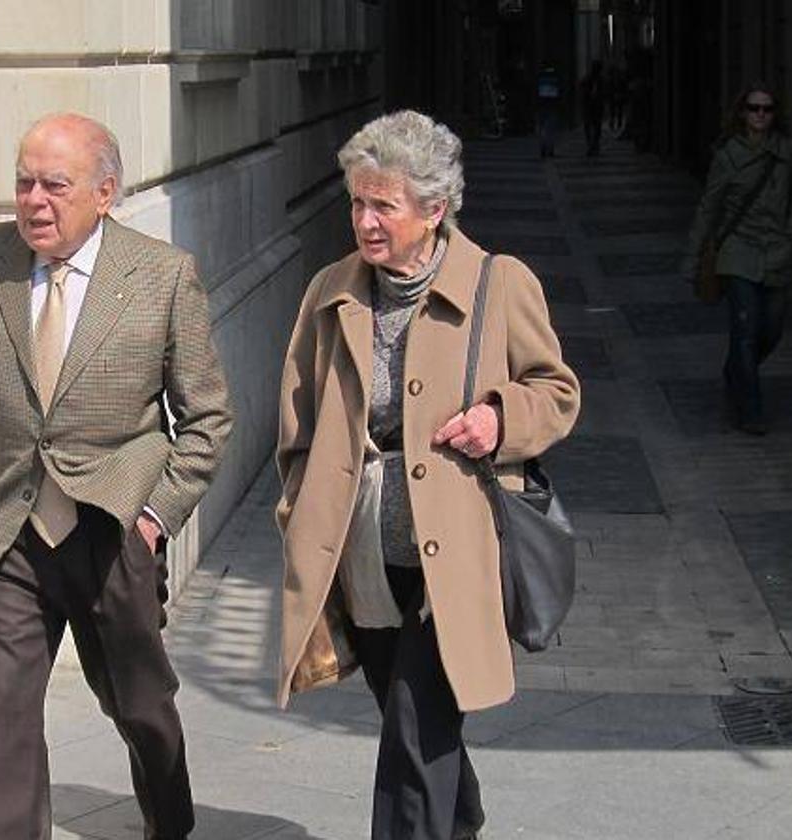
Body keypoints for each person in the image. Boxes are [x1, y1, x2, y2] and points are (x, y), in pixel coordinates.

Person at [0, 112, 233, 840]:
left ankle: (170, 822)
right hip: (6, 532)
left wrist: (153, 519)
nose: (34, 201)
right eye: (24, 183)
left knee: (140, 706)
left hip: (110, 531)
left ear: (105, 192)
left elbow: (208, 418)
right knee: (7, 712)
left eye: (55, 185)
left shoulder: (160, 276)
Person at [275, 110, 580, 840]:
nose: (365, 220)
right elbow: (298, 418)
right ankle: (463, 818)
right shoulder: (329, 290)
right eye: (357, 201)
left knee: (413, 732)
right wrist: (296, 508)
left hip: (457, 556)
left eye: (384, 205)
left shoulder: (499, 283)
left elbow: (557, 390)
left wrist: (500, 420)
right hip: (363, 552)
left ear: (434, 210)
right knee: (409, 718)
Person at [683, 83, 792, 435]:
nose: (760, 115)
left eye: (767, 109)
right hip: (737, 252)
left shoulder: (787, 151)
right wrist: (692, 258)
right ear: (742, 113)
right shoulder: (728, 156)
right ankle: (751, 409)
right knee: (745, 331)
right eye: (754, 109)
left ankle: (737, 368)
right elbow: (709, 207)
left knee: (773, 328)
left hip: (776, 251)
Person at [535, 62, 561, 158]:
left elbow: (536, 92)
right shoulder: (556, 77)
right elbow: (559, 92)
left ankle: (543, 148)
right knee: (550, 130)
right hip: (552, 106)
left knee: (542, 129)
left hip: (542, 105)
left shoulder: (540, 76)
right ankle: (550, 150)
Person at [580, 59, 606, 156]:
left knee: (594, 127)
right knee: (591, 127)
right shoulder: (588, 79)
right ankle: (592, 145)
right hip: (591, 107)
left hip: (595, 107)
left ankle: (593, 145)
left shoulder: (600, 80)